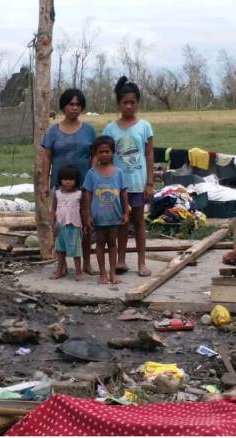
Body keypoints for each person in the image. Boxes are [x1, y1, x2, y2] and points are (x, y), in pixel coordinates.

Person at [41, 88, 97, 274]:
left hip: (83, 186)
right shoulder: (52, 131)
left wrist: (95, 182)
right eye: (71, 104)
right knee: (60, 224)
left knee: (84, 223)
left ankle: (86, 262)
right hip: (60, 187)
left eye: (78, 104)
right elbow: (47, 157)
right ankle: (62, 264)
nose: (74, 108)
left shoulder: (89, 130)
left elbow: (94, 157)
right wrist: (44, 183)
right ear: (63, 106)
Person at [103, 76, 155, 277]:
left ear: (138, 103)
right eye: (125, 102)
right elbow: (103, 156)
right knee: (121, 223)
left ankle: (142, 262)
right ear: (119, 104)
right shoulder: (110, 128)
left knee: (139, 223)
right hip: (117, 185)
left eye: (132, 102)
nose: (129, 106)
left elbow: (149, 154)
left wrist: (149, 183)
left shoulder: (144, 127)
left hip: (138, 183)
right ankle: (121, 260)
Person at [83, 136, 130, 285]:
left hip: (114, 216)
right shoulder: (91, 173)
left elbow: (123, 193)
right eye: (101, 152)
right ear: (95, 154)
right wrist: (88, 215)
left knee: (113, 244)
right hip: (98, 217)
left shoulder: (119, 173)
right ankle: (102, 273)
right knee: (100, 244)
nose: (104, 155)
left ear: (113, 152)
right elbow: (87, 195)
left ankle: (113, 273)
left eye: (107, 151)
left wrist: (125, 212)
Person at [50, 165, 84, 281]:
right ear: (60, 180)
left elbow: (83, 210)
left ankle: (79, 272)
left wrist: (84, 225)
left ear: (76, 180)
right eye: (65, 179)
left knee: (76, 250)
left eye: (71, 179)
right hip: (60, 226)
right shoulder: (57, 193)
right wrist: (52, 223)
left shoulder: (79, 194)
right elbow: (53, 209)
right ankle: (60, 270)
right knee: (60, 250)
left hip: (74, 225)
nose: (67, 182)